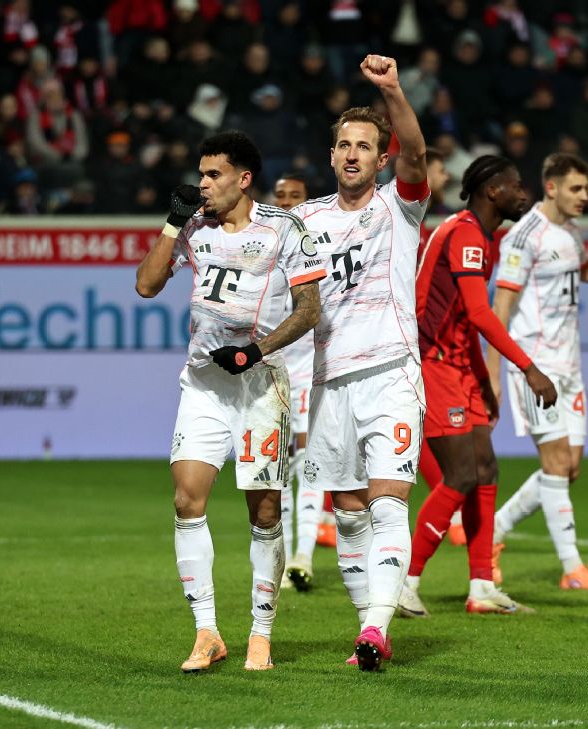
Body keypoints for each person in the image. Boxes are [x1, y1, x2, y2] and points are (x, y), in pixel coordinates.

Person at [135, 131, 326, 672]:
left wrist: (254, 352)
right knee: (186, 501)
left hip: (260, 386)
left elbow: (309, 309)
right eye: (201, 173)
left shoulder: (284, 229)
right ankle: (207, 633)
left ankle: (260, 633)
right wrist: (171, 224)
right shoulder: (193, 226)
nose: (203, 184)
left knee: (264, 510)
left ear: (243, 179)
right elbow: (146, 285)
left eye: (213, 174)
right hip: (203, 385)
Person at [294, 54, 429, 671]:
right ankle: (367, 629)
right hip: (329, 383)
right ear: (332, 156)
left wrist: (393, 90)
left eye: (365, 146)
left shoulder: (400, 208)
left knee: (388, 501)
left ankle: (376, 627)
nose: (353, 155)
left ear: (381, 159)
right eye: (344, 145)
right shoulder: (305, 221)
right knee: (348, 514)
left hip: (390, 374)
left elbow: (418, 156)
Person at [400, 155, 558, 618]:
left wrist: (484, 381)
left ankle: (482, 586)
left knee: (485, 469)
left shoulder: (480, 237)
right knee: (461, 475)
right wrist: (528, 368)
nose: (524, 193)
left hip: (458, 368)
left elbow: (464, 322)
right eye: (516, 186)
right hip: (433, 364)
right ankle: (405, 583)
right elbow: (479, 313)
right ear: (493, 191)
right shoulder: (466, 233)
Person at [486, 153, 588, 591]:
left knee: (569, 467)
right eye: (576, 188)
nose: (585, 196)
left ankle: (494, 530)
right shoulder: (523, 237)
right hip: (536, 366)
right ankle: (572, 568)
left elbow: (583, 268)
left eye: (586, 188)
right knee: (556, 463)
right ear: (551, 187)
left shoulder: (571, 232)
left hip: (571, 366)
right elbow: (501, 306)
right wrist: (494, 373)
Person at [270, 171, 324, 593]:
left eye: (295, 196)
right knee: (278, 470)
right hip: (272, 374)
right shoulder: (262, 248)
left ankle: (303, 555)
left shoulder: (319, 246)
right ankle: (286, 559)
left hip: (310, 372)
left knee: (308, 463)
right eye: (281, 196)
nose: (287, 202)